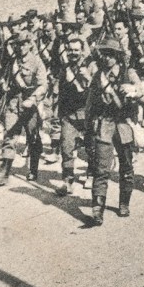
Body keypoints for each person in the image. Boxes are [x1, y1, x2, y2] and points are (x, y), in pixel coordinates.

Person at [85, 37, 144, 224]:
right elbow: (90, 103)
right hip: (105, 124)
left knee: (127, 168)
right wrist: (88, 126)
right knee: (101, 169)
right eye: (104, 55)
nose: (107, 59)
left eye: (111, 55)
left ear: (118, 56)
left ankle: (124, 203)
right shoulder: (98, 77)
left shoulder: (128, 73)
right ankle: (97, 210)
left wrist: (134, 91)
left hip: (124, 125)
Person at [0, 31, 48, 186]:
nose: (21, 47)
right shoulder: (12, 61)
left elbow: (43, 85)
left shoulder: (37, 62)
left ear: (30, 44)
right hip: (13, 103)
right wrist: (4, 83)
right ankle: (5, 171)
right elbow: (4, 77)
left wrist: (33, 99)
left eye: (24, 43)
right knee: (9, 135)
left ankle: (33, 169)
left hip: (30, 102)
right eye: (18, 44)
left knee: (33, 137)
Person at [54, 34, 94, 196]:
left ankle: (91, 173)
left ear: (82, 51)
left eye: (76, 50)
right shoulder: (64, 68)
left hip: (87, 113)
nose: (73, 53)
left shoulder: (90, 66)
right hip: (68, 114)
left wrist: (88, 77)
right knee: (66, 147)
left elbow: (97, 88)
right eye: (70, 50)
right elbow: (60, 91)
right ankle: (68, 180)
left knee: (91, 147)